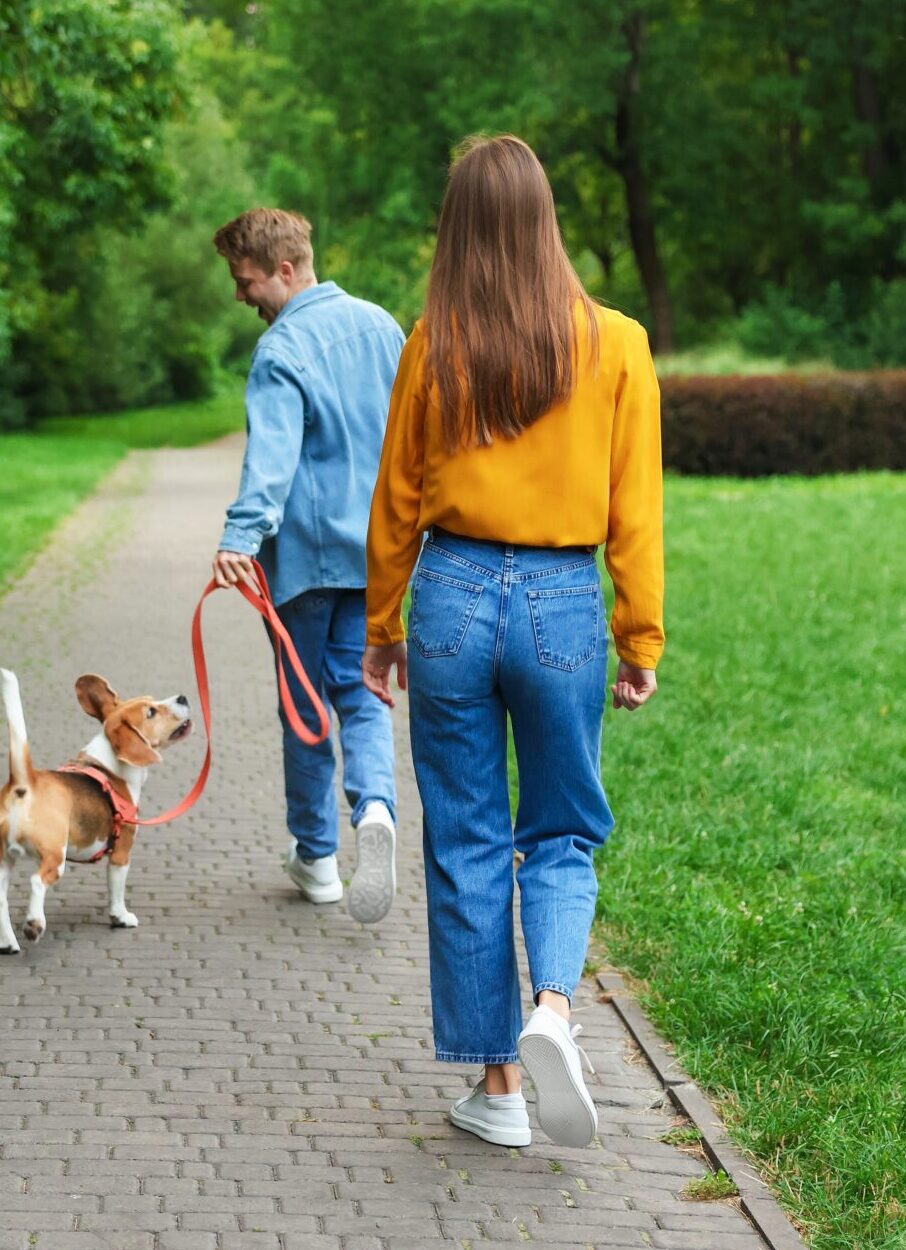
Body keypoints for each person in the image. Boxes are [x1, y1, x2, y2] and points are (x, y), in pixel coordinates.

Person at [361, 136, 663, 1149]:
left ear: (456, 228)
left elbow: (397, 494)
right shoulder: (616, 342)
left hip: (447, 592)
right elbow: (636, 505)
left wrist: (378, 626)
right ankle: (555, 1010)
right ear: (545, 219)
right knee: (563, 826)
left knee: (467, 840)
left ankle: (496, 1086)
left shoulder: (431, 341)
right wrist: (638, 635)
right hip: (562, 597)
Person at [210, 207, 403, 924]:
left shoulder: (281, 350)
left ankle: (317, 858)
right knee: (364, 693)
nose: (240, 296)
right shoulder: (383, 327)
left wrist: (238, 537)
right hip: (377, 557)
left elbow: (272, 458)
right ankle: (376, 807)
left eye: (246, 280)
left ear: (284, 271)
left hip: (303, 564)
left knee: (303, 705)